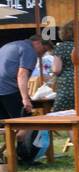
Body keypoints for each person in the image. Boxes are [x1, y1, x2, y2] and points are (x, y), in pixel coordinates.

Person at [0, 34, 51, 164]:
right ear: (38, 43)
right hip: (9, 90)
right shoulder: (29, 50)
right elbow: (22, 74)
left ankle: (10, 157)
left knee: (6, 126)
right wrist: (25, 99)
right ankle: (24, 157)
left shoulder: (9, 46)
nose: (42, 55)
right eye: (44, 50)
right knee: (26, 123)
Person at [49, 20, 79, 113]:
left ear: (65, 32)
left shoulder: (61, 47)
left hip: (66, 87)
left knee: (61, 116)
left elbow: (56, 69)